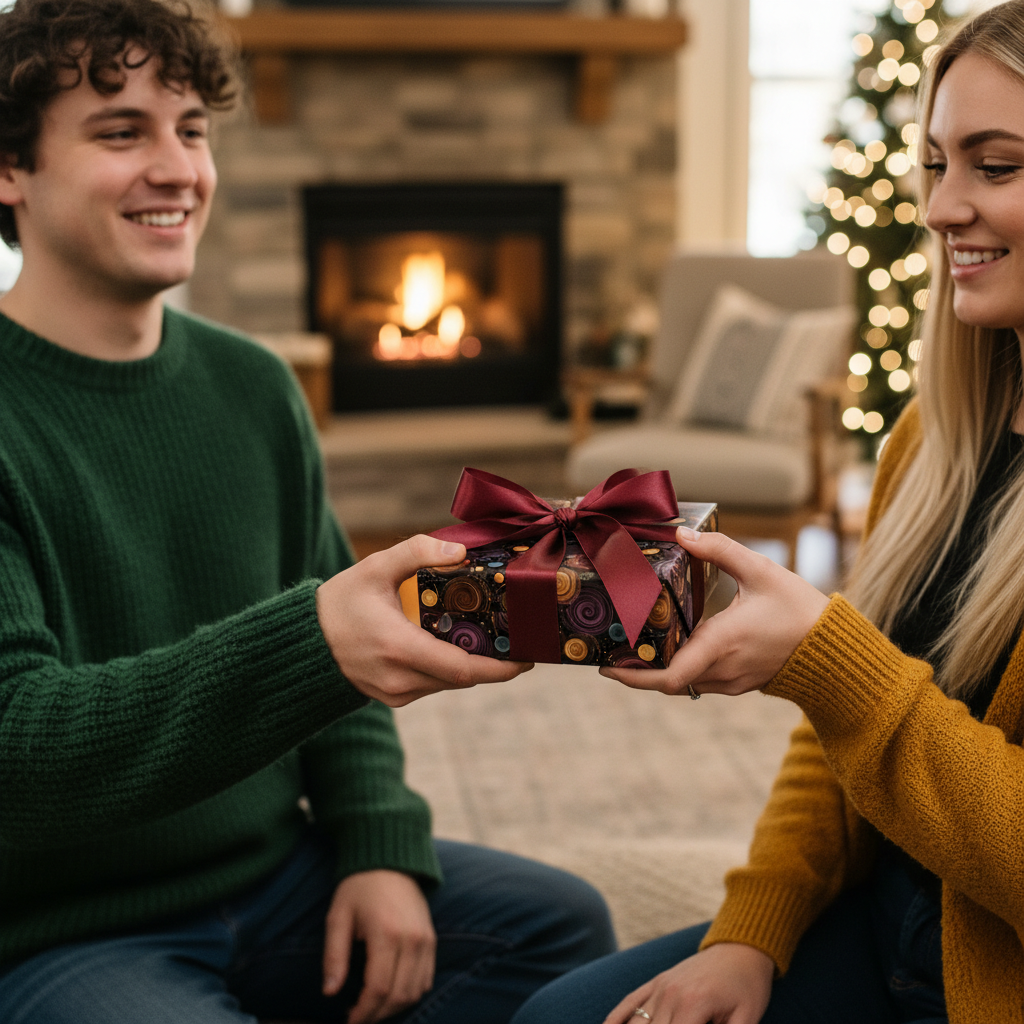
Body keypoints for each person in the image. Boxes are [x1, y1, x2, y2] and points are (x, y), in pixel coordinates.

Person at [0, 1, 617, 1021]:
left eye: (191, 130)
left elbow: (340, 685)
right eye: (122, 132)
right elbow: (21, 752)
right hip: (70, 928)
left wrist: (377, 845)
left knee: (562, 928)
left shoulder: (254, 386)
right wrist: (316, 637)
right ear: (10, 170)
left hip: (281, 874)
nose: (178, 168)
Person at [509, 4, 1024, 1024]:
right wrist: (753, 928)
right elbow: (843, 740)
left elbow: (864, 696)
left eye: (995, 165)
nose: (938, 207)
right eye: (933, 164)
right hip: (885, 917)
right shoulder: (937, 435)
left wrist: (830, 659)